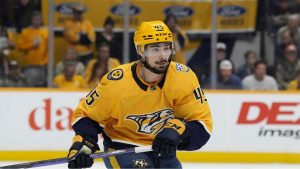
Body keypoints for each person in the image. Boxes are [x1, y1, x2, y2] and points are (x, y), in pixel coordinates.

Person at [67, 21, 213, 169]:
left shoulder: (184, 78)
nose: (163, 56)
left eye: (167, 48)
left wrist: (177, 132)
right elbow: (86, 117)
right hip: (122, 148)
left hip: (161, 149)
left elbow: (202, 127)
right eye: (155, 49)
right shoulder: (117, 82)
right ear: (140, 51)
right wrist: (84, 142)